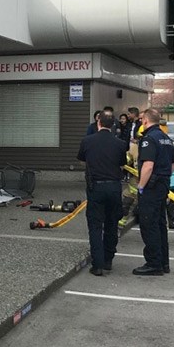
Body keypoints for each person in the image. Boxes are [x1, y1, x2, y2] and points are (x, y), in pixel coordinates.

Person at [77, 112, 128, 276]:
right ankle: (108, 260)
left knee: (95, 225)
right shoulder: (120, 144)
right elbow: (122, 163)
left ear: (98, 123)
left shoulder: (87, 141)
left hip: (96, 187)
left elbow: (82, 159)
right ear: (113, 125)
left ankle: (97, 264)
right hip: (114, 187)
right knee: (112, 223)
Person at [133, 108, 174, 276]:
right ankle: (163, 262)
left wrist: (141, 187)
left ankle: (153, 263)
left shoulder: (149, 139)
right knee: (160, 225)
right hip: (163, 185)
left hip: (151, 187)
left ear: (145, 121)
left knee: (149, 224)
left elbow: (148, 165)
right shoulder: (166, 138)